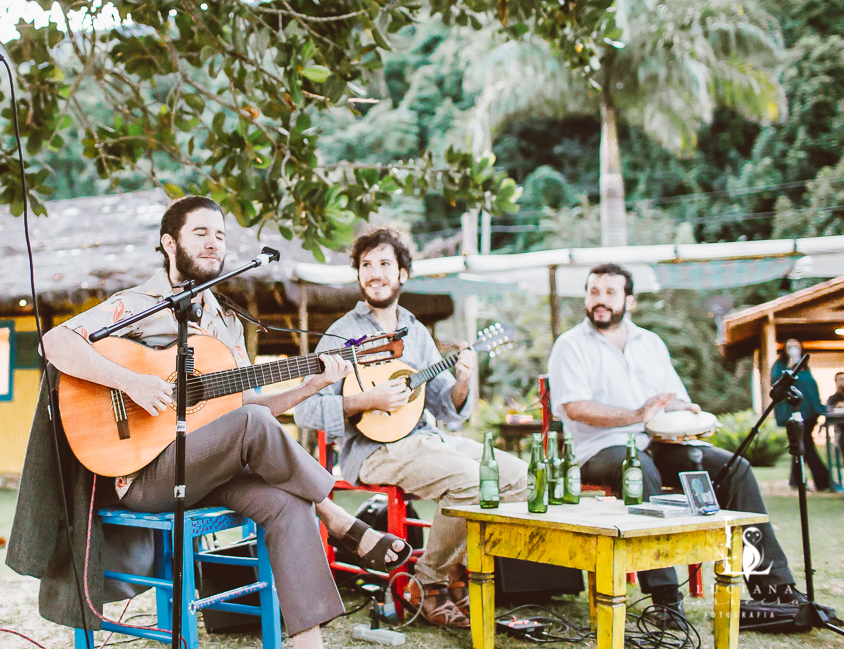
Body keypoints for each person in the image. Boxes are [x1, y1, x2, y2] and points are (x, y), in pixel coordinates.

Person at [6, 197, 410, 649]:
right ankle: (334, 515)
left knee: (287, 503)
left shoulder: (223, 321)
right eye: (200, 233)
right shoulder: (135, 305)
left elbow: (252, 404)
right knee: (253, 427)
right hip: (141, 473)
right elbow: (54, 343)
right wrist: (130, 381)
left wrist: (313, 383)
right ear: (169, 243)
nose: (214, 243)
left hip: (207, 467)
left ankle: (308, 644)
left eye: (220, 235)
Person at [294, 227, 529, 628]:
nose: (375, 273)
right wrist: (366, 400)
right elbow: (304, 411)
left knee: (516, 477)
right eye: (366, 265)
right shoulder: (342, 334)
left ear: (402, 274)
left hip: (427, 440)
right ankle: (426, 584)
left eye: (385, 264)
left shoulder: (417, 332)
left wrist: (463, 380)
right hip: (373, 450)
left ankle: (459, 573)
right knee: (472, 482)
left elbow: (444, 406)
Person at [548, 263, 803, 626]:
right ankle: (665, 598)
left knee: (735, 469)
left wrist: (690, 413)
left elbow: (672, 400)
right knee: (641, 471)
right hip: (600, 448)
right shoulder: (570, 345)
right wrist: (637, 414)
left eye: (609, 292)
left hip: (658, 442)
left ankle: (774, 590)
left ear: (629, 300)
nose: (599, 300)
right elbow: (575, 407)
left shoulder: (650, 342)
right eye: (593, 292)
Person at [771, 339, 834, 492]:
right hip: (792, 411)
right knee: (801, 444)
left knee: (803, 443)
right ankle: (819, 479)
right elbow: (777, 384)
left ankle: (801, 480)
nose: (793, 349)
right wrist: (789, 368)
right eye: (790, 347)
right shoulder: (780, 365)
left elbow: (811, 387)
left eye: (796, 347)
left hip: (810, 411)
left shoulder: (805, 366)